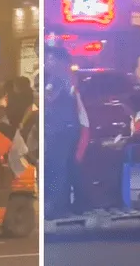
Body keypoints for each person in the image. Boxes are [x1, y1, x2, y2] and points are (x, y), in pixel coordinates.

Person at [44, 41, 82, 219]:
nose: (47, 62)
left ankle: (55, 208)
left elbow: (48, 98)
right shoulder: (68, 76)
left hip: (58, 130)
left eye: (49, 59)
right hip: (66, 128)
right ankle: (63, 206)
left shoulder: (58, 77)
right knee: (63, 168)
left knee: (55, 168)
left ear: (58, 61)